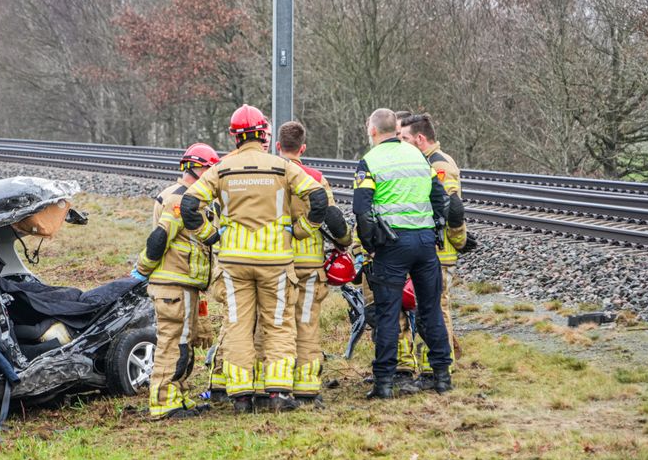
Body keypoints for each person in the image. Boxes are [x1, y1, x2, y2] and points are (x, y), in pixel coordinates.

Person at [180, 104, 329, 414]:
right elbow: (318, 198)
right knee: (277, 325)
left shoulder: (221, 168)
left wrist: (211, 235)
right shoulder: (281, 166)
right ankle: (277, 394)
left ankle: (241, 396)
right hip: (275, 260)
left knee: (237, 326)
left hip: (234, 261)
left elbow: (189, 204)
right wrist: (302, 230)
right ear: (264, 134)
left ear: (235, 137)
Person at [352, 108, 452, 399]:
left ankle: (383, 383)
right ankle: (442, 376)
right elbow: (441, 197)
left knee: (387, 313)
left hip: (392, 246)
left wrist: (370, 245)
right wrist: (435, 230)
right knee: (431, 309)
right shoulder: (418, 156)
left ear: (372, 131)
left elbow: (362, 209)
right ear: (395, 130)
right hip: (424, 243)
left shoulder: (369, 162)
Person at [132, 143, 221, 420]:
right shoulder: (179, 199)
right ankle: (163, 403)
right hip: (174, 285)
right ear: (194, 167)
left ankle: (178, 397)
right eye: (209, 168)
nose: (212, 174)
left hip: (186, 284)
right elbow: (159, 238)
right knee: (173, 345)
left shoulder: (191, 197)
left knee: (185, 344)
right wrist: (141, 269)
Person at [275, 121, 352, 405]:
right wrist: (346, 242)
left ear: (278, 146)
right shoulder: (316, 178)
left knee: (276, 325)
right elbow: (331, 218)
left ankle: (274, 384)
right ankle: (306, 389)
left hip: (276, 263)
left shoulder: (271, 175)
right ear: (303, 148)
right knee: (305, 324)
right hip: (309, 265)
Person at [399, 112, 471, 389]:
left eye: (405, 138)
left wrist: (460, 239)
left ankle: (438, 368)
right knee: (431, 307)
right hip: (432, 247)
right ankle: (434, 365)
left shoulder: (439, 164)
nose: (402, 143)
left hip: (440, 250)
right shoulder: (427, 161)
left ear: (419, 138)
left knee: (437, 309)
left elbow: (452, 207)